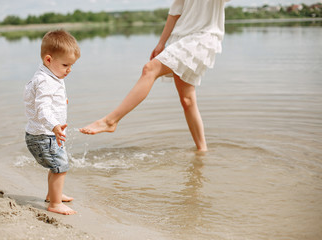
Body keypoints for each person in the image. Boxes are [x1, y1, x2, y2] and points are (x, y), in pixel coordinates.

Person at [80, 0, 230, 152]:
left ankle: (110, 121)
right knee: (187, 100)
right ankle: (202, 150)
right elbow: (175, 12)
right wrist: (161, 43)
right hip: (180, 37)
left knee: (150, 69)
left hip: (202, 37)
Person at [24, 29, 80, 215]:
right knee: (60, 167)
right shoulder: (45, 80)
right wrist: (55, 125)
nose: (69, 69)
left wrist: (60, 102)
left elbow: (43, 100)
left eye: (72, 65)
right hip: (45, 135)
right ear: (48, 60)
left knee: (57, 165)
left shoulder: (50, 75)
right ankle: (55, 204)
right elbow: (42, 108)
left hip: (46, 134)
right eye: (65, 65)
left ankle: (53, 194)